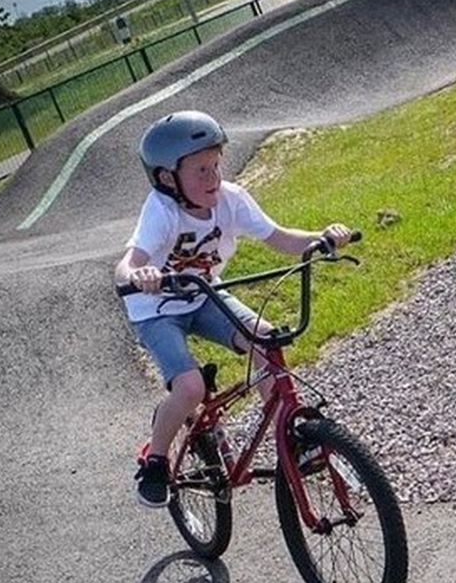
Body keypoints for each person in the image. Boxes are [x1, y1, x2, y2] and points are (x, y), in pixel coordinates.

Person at [115, 110, 353, 508]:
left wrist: (322, 238)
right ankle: (155, 459)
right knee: (189, 387)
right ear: (167, 179)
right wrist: (138, 275)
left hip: (204, 294)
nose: (213, 178)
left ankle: (291, 439)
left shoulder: (231, 199)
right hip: (156, 309)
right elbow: (128, 262)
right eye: (200, 171)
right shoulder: (162, 210)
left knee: (266, 337)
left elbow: (279, 238)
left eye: (215, 166)